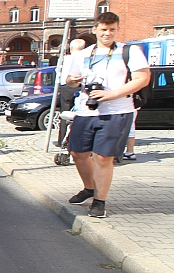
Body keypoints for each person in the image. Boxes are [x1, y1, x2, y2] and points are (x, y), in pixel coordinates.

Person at [64, 12, 151, 218]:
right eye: (103, 29)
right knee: (78, 153)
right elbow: (69, 79)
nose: (107, 33)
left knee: (103, 157)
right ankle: (89, 188)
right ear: (95, 29)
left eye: (112, 29)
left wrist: (112, 94)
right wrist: (73, 80)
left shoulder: (129, 51)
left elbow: (142, 78)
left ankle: (99, 201)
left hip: (117, 110)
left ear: (117, 29)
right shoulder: (82, 54)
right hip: (86, 109)